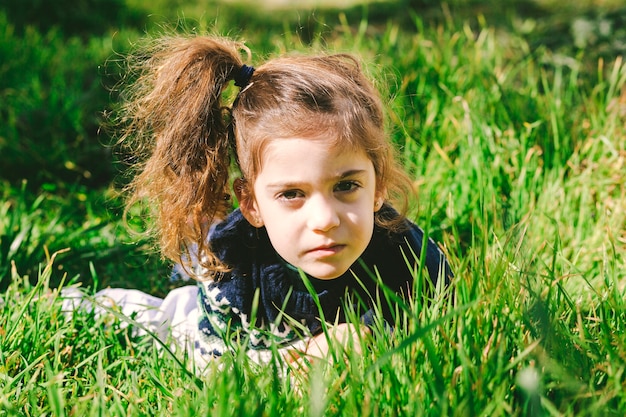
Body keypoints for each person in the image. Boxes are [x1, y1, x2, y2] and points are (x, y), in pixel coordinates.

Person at [66, 35, 452, 369]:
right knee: (167, 320)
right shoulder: (232, 270)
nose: (325, 220)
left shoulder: (410, 256)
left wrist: (368, 337)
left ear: (378, 186)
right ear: (251, 204)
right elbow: (216, 369)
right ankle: (74, 302)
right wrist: (295, 362)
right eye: (292, 194)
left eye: (346, 186)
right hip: (229, 330)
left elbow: (443, 327)